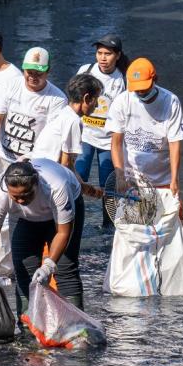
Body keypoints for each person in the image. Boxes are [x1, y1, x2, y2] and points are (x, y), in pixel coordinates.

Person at [0, 159, 85, 312]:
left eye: (26, 194)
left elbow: (63, 232)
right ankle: (27, 328)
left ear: (36, 184)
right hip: (24, 219)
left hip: (61, 215)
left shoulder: (56, 187)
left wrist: (49, 265)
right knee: (24, 272)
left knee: (64, 270)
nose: (21, 200)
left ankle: (76, 329)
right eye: (15, 197)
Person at [107, 57, 183, 197]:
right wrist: (120, 176)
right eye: (137, 89)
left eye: (144, 88)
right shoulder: (121, 102)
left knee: (167, 218)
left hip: (163, 180)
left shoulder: (170, 102)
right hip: (132, 179)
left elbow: (175, 144)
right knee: (133, 218)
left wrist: (174, 180)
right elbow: (116, 143)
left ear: (154, 79)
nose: (141, 92)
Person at [75, 35, 129, 228]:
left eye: (108, 54)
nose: (103, 58)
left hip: (108, 141)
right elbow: (73, 100)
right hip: (85, 137)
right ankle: (73, 221)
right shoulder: (85, 71)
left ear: (118, 56)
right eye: (99, 53)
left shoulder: (123, 79)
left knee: (109, 186)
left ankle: (108, 228)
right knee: (76, 179)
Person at [0, 46, 68, 163]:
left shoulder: (58, 99)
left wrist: (31, 156)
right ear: (23, 69)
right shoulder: (9, 85)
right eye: (29, 72)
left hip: (33, 161)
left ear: (48, 71)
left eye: (39, 73)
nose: (33, 77)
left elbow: (52, 137)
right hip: (2, 156)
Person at [32, 74, 102, 188]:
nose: (97, 105)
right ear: (86, 98)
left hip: (37, 170)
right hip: (48, 178)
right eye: (96, 99)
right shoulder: (74, 121)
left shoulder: (63, 113)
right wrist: (82, 188)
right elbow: (66, 165)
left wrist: (83, 185)